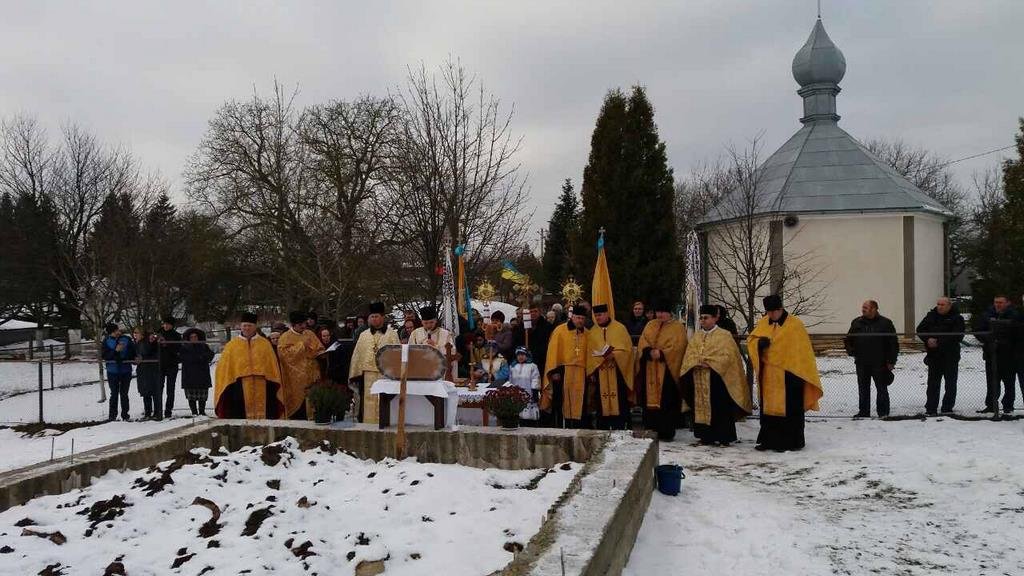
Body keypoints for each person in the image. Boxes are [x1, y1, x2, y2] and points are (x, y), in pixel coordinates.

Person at [748, 295, 822, 452]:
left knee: (791, 409)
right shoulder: (763, 322)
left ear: (781, 309)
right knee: (768, 410)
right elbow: (751, 340)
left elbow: (802, 351)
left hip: (791, 374)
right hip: (768, 375)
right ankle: (768, 441)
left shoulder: (795, 324)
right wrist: (759, 344)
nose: (772, 315)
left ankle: (790, 442)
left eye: (774, 311)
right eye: (769, 312)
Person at [680, 305, 752, 446]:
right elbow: (689, 355)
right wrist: (696, 362)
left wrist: (711, 363)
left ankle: (724, 437)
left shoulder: (724, 335)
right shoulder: (697, 336)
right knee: (700, 406)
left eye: (706, 318)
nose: (703, 320)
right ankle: (705, 436)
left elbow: (729, 357)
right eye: (701, 318)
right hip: (699, 377)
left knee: (720, 408)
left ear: (714, 318)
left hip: (719, 379)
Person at [214, 312, 285, 419]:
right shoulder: (232, 346)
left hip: (263, 384)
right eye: (244, 325)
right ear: (241, 326)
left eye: (250, 325)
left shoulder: (265, 344)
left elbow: (272, 366)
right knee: (240, 415)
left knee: (267, 414)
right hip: (238, 386)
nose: (247, 328)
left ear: (255, 326)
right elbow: (223, 369)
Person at [636, 301, 688, 440]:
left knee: (667, 400)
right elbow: (643, 341)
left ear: (669, 313)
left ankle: (666, 431)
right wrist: (648, 351)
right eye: (658, 312)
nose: (660, 315)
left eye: (663, 312)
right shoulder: (650, 324)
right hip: (650, 368)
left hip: (667, 370)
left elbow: (679, 346)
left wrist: (663, 353)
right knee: (648, 401)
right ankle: (650, 428)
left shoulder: (677, 327)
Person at [843, 300, 899, 418]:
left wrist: (891, 361)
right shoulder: (857, 322)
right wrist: (851, 351)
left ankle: (883, 412)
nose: (863, 309)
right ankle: (864, 412)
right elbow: (848, 339)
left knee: (881, 388)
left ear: (874, 309)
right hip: (862, 362)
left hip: (880, 362)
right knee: (863, 388)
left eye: (866, 307)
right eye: (863, 307)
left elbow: (893, 344)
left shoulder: (885, 323)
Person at [348, 302, 400, 423]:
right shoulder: (363, 335)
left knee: (385, 400)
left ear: (383, 317)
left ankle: (386, 425)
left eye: (376, 316)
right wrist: (355, 374)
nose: (374, 319)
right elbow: (357, 356)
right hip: (368, 375)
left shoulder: (392, 335)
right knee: (368, 402)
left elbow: (398, 356)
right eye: (372, 316)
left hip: (386, 374)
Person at [585, 304, 634, 429]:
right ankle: (603, 426)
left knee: (620, 400)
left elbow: (627, 350)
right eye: (596, 315)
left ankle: (621, 426)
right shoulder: (593, 331)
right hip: (600, 372)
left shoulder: (620, 328)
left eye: (600, 315)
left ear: (607, 314)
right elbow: (589, 353)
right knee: (600, 402)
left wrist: (615, 355)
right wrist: (592, 370)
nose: (598, 318)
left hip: (617, 371)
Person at [915, 297, 965, 415]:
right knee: (933, 384)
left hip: (950, 356)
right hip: (934, 356)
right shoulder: (931, 316)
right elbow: (920, 329)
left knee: (950, 384)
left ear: (949, 306)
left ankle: (947, 408)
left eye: (943, 305)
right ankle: (931, 408)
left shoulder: (957, 318)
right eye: (938, 304)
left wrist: (938, 341)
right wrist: (928, 339)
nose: (940, 307)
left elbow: (957, 336)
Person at [542, 306, 589, 428]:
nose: (580, 321)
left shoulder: (587, 333)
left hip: (581, 372)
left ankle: (579, 427)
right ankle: (560, 427)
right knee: (561, 401)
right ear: (572, 317)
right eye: (578, 318)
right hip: (562, 372)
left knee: (580, 401)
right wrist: (554, 371)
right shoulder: (560, 330)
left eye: (582, 318)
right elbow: (553, 352)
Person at [974, 295, 1021, 413]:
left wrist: (1004, 342)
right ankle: (991, 405)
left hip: (1009, 356)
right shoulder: (986, 315)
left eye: (1000, 302)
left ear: (1007, 303)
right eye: (996, 302)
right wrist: (989, 340)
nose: (998, 304)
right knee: (992, 382)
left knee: (1009, 383)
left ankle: (1008, 405)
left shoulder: (1014, 316)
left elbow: (1017, 334)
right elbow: (978, 331)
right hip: (991, 354)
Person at [277, 311, 325, 420]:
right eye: (300, 325)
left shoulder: (310, 333)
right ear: (293, 325)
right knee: (299, 409)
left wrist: (321, 353)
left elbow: (319, 347)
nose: (303, 326)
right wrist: (302, 346)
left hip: (312, 375)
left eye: (304, 323)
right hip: (294, 380)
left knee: (313, 403)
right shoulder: (285, 337)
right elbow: (284, 355)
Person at [102, 323, 136, 422]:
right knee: (114, 394)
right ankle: (112, 416)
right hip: (112, 371)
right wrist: (115, 351)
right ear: (111, 332)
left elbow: (133, 352)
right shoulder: (107, 341)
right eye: (116, 331)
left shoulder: (126, 339)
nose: (118, 332)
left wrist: (132, 358)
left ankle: (125, 415)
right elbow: (105, 356)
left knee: (124, 394)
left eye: (118, 330)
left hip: (126, 370)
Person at [180, 327, 214, 416]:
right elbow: (182, 357)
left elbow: (210, 355)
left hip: (202, 374)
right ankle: (194, 412)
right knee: (191, 396)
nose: (194, 338)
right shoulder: (184, 347)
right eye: (191, 337)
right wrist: (195, 358)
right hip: (189, 375)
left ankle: (202, 412)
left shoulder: (204, 346)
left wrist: (203, 357)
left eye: (195, 337)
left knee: (202, 395)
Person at [134, 328, 163, 421]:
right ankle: (148, 412)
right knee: (146, 392)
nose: (135, 335)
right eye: (134, 333)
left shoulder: (147, 342)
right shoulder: (138, 343)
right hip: (143, 370)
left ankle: (157, 413)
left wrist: (141, 357)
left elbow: (147, 352)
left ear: (142, 334)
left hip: (151, 370)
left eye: (137, 333)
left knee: (154, 392)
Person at [157, 315, 182, 419]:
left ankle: (168, 411)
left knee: (170, 390)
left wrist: (167, 345)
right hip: (160, 365)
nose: (165, 326)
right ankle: (158, 410)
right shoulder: (159, 333)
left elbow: (177, 350)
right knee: (159, 389)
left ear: (172, 325)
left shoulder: (176, 335)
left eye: (168, 324)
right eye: (164, 323)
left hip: (172, 365)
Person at [508, 346, 541, 423]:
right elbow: (510, 380)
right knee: (517, 412)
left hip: (529, 392)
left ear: (527, 355)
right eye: (518, 355)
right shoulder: (513, 366)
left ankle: (530, 424)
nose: (520, 357)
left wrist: (535, 391)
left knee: (528, 414)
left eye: (522, 355)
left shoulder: (532, 366)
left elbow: (535, 378)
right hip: (516, 393)